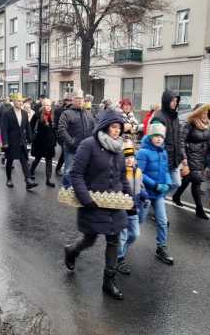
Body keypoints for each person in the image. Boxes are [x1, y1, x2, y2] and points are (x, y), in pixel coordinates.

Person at [64, 110, 131, 300]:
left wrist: (129, 199)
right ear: (105, 126)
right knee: (90, 239)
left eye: (119, 127)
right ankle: (71, 251)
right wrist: (86, 199)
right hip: (93, 203)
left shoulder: (118, 149)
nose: (117, 131)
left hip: (114, 204)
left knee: (114, 241)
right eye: (113, 127)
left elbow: (122, 177)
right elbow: (76, 174)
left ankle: (108, 282)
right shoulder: (89, 145)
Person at [172, 104, 210, 219]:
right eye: (203, 113)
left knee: (188, 179)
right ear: (197, 113)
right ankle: (199, 209)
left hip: (201, 157)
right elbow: (181, 142)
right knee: (196, 181)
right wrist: (184, 160)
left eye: (207, 113)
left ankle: (176, 196)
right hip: (190, 156)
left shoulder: (207, 125)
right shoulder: (189, 124)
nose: (205, 115)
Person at [136, 121, 174, 265]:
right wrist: (156, 185)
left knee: (163, 222)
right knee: (139, 220)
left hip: (158, 195)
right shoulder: (143, 152)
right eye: (156, 136)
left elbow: (165, 171)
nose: (159, 139)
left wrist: (168, 182)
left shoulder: (163, 152)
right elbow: (140, 173)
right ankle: (122, 244)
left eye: (161, 136)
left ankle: (161, 248)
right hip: (145, 194)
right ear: (150, 136)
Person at [117, 144, 148, 276]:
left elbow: (140, 185)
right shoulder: (120, 173)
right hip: (123, 209)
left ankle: (121, 251)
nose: (129, 160)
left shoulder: (138, 172)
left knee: (135, 234)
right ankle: (119, 258)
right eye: (126, 157)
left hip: (134, 208)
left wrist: (144, 195)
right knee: (122, 236)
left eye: (132, 157)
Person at [58, 90, 95, 187]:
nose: (80, 101)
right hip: (71, 149)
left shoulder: (88, 113)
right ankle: (67, 192)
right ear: (72, 100)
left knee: (84, 171)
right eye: (77, 99)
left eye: (81, 99)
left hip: (86, 150)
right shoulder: (66, 113)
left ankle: (80, 191)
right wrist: (71, 142)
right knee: (68, 171)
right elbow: (61, 129)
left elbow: (94, 128)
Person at [1, 94, 37, 190]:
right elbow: (4, 129)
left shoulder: (24, 113)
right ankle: (9, 179)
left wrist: (30, 138)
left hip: (21, 141)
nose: (20, 103)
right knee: (9, 161)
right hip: (11, 142)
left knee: (24, 160)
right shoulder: (7, 113)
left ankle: (28, 180)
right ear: (14, 102)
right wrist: (5, 142)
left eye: (21, 101)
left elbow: (27, 127)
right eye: (18, 101)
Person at [150, 90, 184, 190]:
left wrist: (181, 155)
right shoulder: (159, 117)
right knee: (163, 183)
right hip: (163, 157)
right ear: (166, 101)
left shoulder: (175, 117)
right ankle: (158, 198)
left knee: (177, 183)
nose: (175, 103)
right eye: (172, 100)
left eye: (176, 101)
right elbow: (154, 139)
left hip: (174, 158)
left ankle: (160, 196)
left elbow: (178, 137)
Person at [30, 98, 57, 187]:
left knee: (49, 161)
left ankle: (48, 180)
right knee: (37, 159)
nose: (48, 107)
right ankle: (31, 171)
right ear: (43, 106)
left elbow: (54, 129)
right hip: (40, 142)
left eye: (50, 105)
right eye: (46, 105)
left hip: (49, 142)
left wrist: (55, 140)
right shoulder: (37, 115)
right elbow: (31, 126)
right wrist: (30, 137)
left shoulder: (53, 115)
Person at [54, 95, 73, 176]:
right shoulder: (59, 110)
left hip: (71, 134)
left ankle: (67, 169)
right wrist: (58, 135)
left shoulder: (72, 110)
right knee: (65, 151)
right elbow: (57, 124)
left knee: (68, 152)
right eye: (68, 100)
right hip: (61, 134)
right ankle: (59, 169)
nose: (70, 101)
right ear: (65, 101)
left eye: (70, 100)